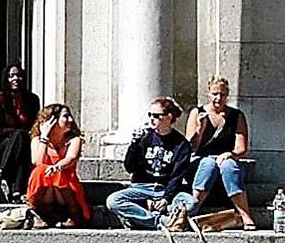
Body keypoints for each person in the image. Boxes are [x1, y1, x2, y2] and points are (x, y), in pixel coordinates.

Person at [168, 76, 256, 231]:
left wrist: (230, 154)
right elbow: (189, 147)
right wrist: (200, 130)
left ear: (227, 95)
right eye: (215, 94)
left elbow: (241, 148)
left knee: (230, 166)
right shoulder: (197, 112)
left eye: (222, 94)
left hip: (224, 159)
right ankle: (189, 211)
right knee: (208, 164)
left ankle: (244, 214)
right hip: (200, 161)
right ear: (208, 94)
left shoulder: (236, 116)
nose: (218, 98)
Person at [105, 97, 192, 229]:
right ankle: (160, 221)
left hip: (165, 189)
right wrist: (134, 144)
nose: (151, 119)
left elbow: (177, 176)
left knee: (191, 203)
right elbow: (129, 167)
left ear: (169, 117)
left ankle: (141, 217)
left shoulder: (181, 144)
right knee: (113, 201)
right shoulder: (145, 138)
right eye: (149, 115)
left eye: (156, 116)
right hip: (141, 187)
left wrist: (166, 199)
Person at [26, 103, 90, 228]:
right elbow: (37, 162)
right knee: (40, 170)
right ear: (52, 120)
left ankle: (74, 215)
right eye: (66, 117)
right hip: (45, 191)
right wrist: (44, 137)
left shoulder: (74, 140)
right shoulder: (37, 140)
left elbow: (71, 158)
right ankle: (37, 214)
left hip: (66, 188)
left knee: (57, 172)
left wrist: (57, 166)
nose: (70, 120)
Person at [0, 63, 40, 202]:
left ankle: (3, 174)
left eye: (18, 75)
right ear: (6, 78)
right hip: (3, 141)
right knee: (20, 138)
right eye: (11, 76)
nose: (15, 79)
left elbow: (36, 125)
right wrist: (17, 132)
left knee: (22, 143)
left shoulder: (32, 99)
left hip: (26, 140)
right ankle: (17, 190)